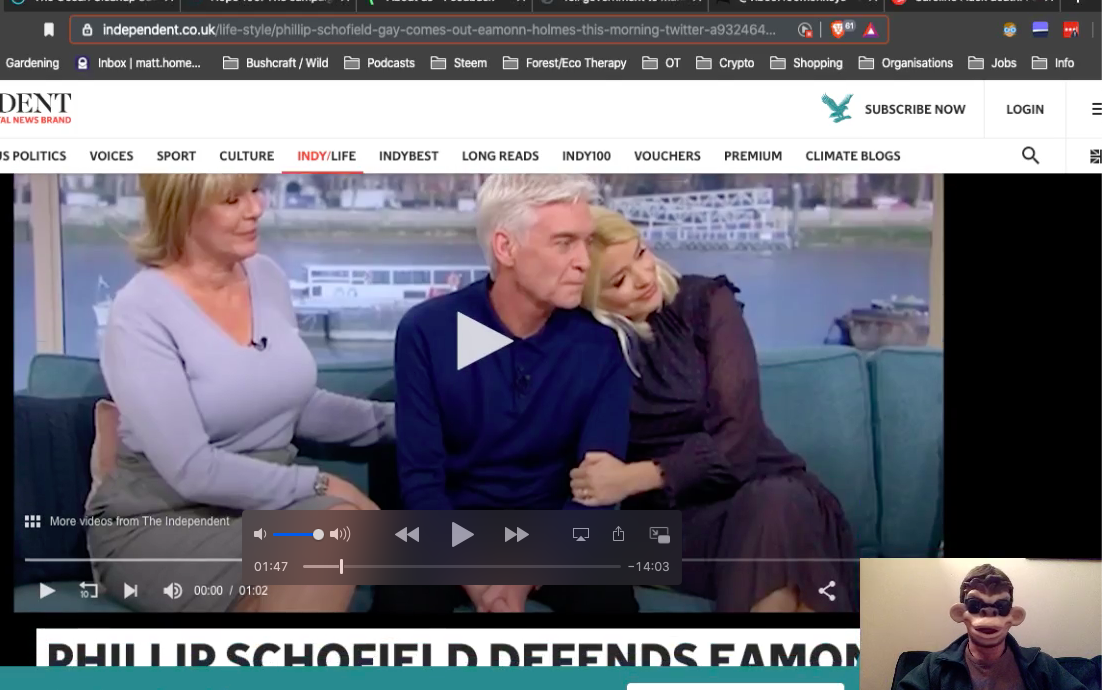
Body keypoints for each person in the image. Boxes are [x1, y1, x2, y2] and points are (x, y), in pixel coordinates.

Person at [87, 173, 393, 613]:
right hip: (162, 519)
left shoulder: (266, 277)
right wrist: (320, 482)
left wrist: (402, 422)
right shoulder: (138, 312)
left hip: (262, 509)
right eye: (232, 199)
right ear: (182, 210)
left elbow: (290, 404)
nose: (256, 208)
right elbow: (191, 470)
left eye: (254, 190)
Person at [372, 174, 639, 614]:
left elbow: (595, 493)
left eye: (586, 243)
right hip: (452, 526)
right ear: (506, 247)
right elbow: (421, 482)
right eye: (564, 243)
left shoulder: (602, 346)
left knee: (609, 601)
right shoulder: (427, 331)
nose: (583, 262)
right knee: (402, 599)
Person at [568, 207, 857, 613]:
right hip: (667, 532)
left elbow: (739, 440)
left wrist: (633, 477)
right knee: (782, 543)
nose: (644, 277)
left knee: (775, 508)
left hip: (769, 494)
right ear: (588, 297)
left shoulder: (705, 303)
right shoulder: (584, 348)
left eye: (641, 253)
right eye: (619, 280)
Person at [895, 564, 1086, 690]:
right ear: (959, 613)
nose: (988, 613)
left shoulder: (1041, 665)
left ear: (1015, 616)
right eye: (975, 605)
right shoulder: (935, 667)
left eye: (1001, 606)